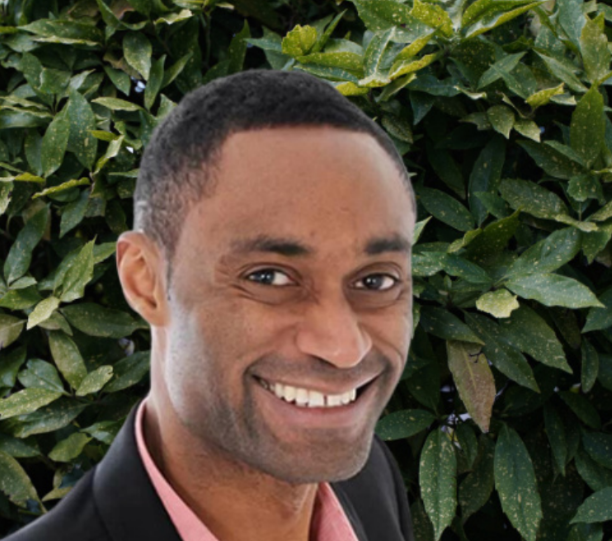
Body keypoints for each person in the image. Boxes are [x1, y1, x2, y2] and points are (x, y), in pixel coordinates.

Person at [6, 70, 416, 541]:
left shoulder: (369, 482)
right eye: (269, 277)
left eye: (376, 280)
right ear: (145, 281)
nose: (343, 347)